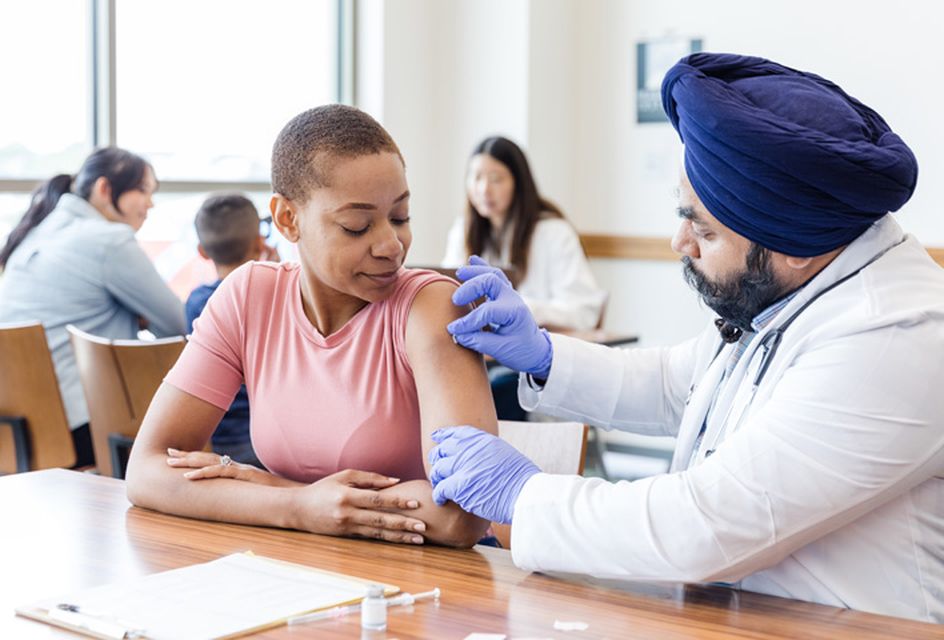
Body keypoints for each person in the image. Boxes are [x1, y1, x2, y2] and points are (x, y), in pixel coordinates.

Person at [427, 53, 944, 622]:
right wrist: (548, 357)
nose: (680, 242)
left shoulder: (891, 339)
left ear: (795, 246)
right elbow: (682, 385)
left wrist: (524, 496)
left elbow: (706, 525)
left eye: (702, 228)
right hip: (744, 616)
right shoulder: (801, 283)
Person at [125, 105, 498, 548]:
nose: (391, 244)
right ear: (287, 219)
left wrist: (277, 491)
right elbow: (146, 472)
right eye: (357, 226)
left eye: (400, 216)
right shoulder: (248, 295)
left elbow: (463, 515)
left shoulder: (429, 306)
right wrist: (301, 508)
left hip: (433, 579)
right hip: (303, 564)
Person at [0, 148, 186, 468]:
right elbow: (179, 324)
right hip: (77, 427)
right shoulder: (109, 240)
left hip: (15, 426)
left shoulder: (36, 232)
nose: (151, 204)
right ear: (104, 189)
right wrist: (138, 315)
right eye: (143, 190)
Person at [442, 136, 606, 419]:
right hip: (480, 359)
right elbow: (449, 295)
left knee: (494, 392)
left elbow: (584, 312)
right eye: (476, 177)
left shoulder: (553, 232)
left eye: (496, 179)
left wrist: (521, 310)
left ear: (518, 182)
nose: (484, 189)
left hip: (530, 366)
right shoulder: (464, 231)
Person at [186, 193, 279, 466]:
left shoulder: (196, 301)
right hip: (259, 445)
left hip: (212, 440)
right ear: (260, 242)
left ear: (202, 251)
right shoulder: (270, 297)